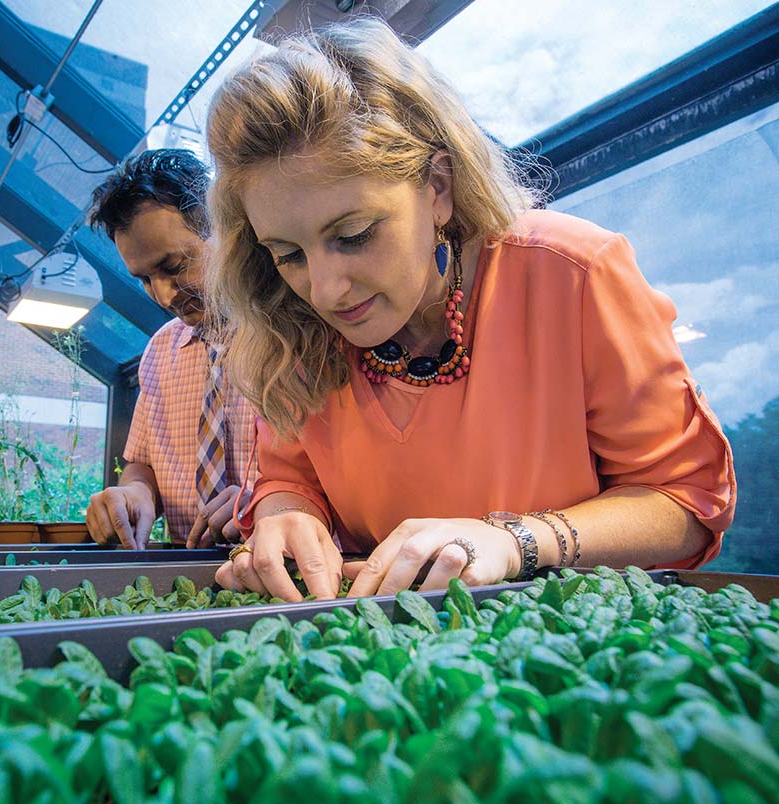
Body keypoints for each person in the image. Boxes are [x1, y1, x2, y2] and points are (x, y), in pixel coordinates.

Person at [203, 18, 736, 601]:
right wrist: (286, 514)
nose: (326, 291)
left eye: (353, 234)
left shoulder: (575, 274)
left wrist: (517, 542)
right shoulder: (292, 326)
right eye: (288, 254)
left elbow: (683, 503)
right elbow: (290, 478)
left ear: (438, 185)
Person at [84, 149, 256, 549]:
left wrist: (274, 503)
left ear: (224, 232)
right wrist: (136, 493)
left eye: (174, 266)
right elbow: (141, 463)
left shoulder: (293, 338)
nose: (163, 295)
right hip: (182, 578)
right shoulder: (161, 351)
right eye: (144, 279)